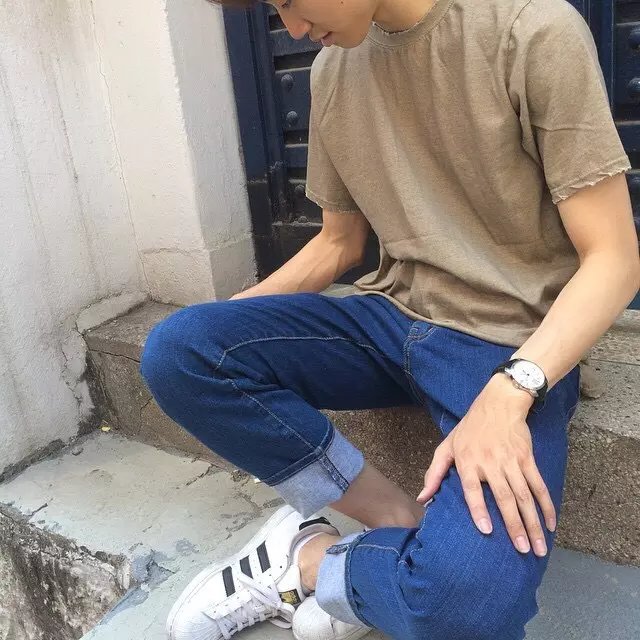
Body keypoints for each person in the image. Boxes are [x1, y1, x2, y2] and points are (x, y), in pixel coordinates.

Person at [139, 0, 640, 638]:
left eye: (288, 0)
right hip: (387, 318)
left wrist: (513, 390)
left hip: (507, 344)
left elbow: (615, 260)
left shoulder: (530, 29)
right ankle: (395, 524)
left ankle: (312, 563)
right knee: (177, 350)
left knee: (464, 612)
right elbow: (337, 244)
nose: (291, 29)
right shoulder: (332, 70)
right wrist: (219, 333)